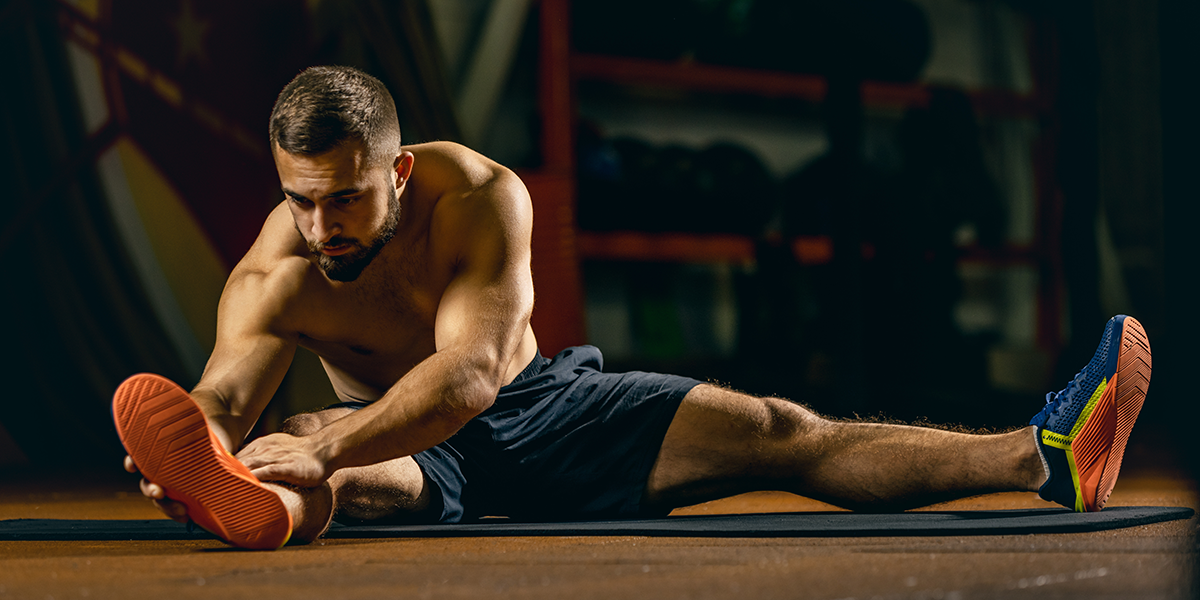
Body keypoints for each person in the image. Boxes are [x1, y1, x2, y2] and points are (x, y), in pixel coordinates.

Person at [114, 66, 1152, 550]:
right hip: (416, 451)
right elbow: (225, 390)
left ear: (401, 171)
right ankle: (254, 509)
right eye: (301, 201)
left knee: (784, 432)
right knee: (301, 441)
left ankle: (1046, 453)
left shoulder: (480, 200)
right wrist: (201, 445)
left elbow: (470, 375)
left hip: (539, 408)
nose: (322, 226)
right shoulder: (275, 270)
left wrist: (320, 448)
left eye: (346, 197)